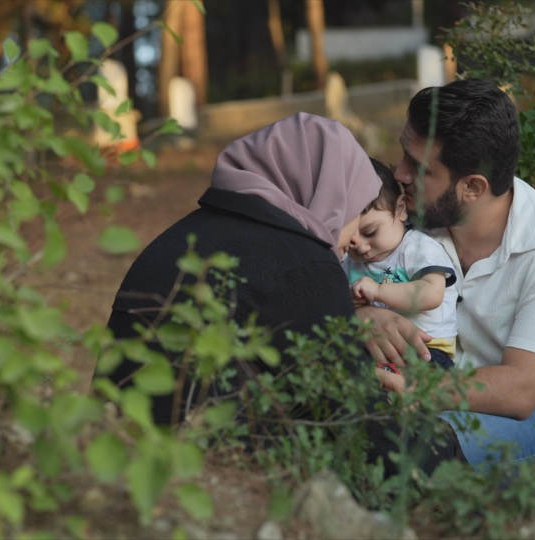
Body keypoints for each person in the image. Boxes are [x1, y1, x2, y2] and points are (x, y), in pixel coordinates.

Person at [101, 112, 466, 474]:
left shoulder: (189, 232)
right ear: (327, 194)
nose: (352, 234)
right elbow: (358, 424)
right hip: (201, 466)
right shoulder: (301, 262)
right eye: (353, 209)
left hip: (118, 444)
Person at [362, 79, 535, 498]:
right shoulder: (408, 224)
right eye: (403, 152)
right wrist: (364, 314)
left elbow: (520, 391)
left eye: (418, 167)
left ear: (472, 187)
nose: (399, 174)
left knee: (411, 444)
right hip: (425, 399)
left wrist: (420, 392)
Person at [344, 158, 458, 370]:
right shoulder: (349, 261)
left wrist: (378, 291)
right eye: (350, 239)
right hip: (373, 344)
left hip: (426, 348)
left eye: (370, 232)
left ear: (400, 210)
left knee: (405, 393)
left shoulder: (418, 248)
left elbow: (432, 294)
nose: (360, 247)